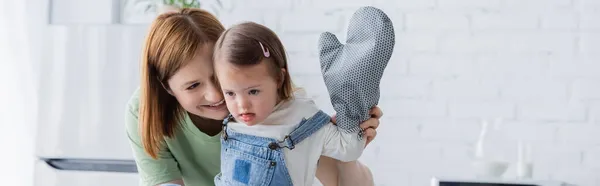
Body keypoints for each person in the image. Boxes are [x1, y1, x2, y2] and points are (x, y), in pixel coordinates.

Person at [125, 8, 382, 186]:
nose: (216, 95)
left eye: (218, 77)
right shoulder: (145, 111)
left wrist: (350, 141)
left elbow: (347, 181)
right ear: (167, 88)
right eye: (192, 86)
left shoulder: (280, 112)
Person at [211, 22, 366, 186]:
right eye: (230, 93)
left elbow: (348, 149)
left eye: (253, 92)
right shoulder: (232, 121)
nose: (242, 105)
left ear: (279, 79)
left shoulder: (302, 116)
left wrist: (350, 106)